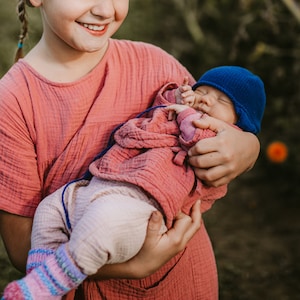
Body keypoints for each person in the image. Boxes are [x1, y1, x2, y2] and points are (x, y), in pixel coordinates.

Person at [0, 0, 261, 299]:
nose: (105, 10)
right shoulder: (12, 103)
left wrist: (249, 149)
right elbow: (23, 247)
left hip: (185, 280)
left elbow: (214, 120)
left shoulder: (156, 65)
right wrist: (134, 266)